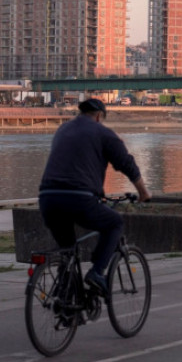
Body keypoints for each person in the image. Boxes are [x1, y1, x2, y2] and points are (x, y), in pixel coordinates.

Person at [38, 98, 152, 296]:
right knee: (114, 223)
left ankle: (64, 296)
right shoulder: (103, 133)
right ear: (99, 116)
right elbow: (126, 163)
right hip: (79, 198)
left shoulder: (62, 130)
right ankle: (97, 272)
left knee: (67, 249)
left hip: (48, 198)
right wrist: (143, 192)